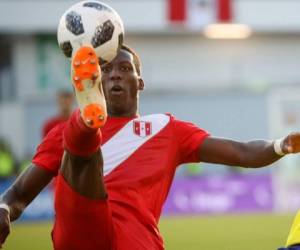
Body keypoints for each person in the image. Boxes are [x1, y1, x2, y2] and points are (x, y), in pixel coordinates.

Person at [0, 44, 299, 250]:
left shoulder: (167, 130)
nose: (114, 73)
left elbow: (243, 152)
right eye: (104, 69)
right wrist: (2, 209)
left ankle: (86, 126)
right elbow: (19, 194)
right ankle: (87, 125)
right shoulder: (59, 132)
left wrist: (280, 145)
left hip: (136, 239)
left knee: (80, 148)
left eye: (124, 68)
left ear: (139, 82)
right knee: (79, 153)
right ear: (97, 81)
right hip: (82, 230)